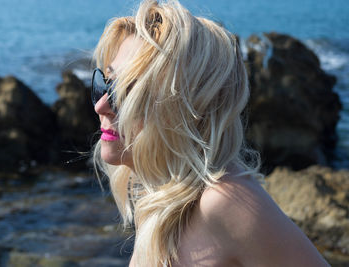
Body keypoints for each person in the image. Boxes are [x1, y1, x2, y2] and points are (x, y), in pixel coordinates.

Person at [90, 0, 330, 266]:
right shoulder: (160, 196)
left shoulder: (226, 202)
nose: (101, 105)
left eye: (128, 92)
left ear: (186, 107)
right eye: (106, 83)